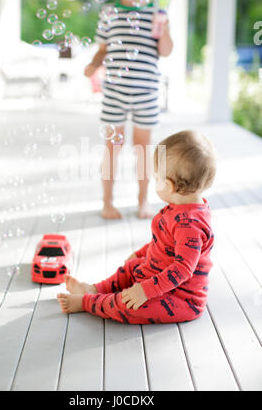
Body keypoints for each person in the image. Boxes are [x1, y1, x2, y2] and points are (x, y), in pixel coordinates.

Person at [57, 130, 217, 324]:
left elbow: (182, 270)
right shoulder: (180, 209)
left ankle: (88, 302)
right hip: (158, 275)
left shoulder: (190, 225)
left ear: (169, 185)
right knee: (133, 267)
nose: (155, 182)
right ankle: (96, 289)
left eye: (156, 179)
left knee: (132, 307)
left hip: (179, 298)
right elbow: (163, 244)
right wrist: (142, 253)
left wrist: (145, 291)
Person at [84, 0, 173, 220]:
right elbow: (103, 49)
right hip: (114, 92)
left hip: (146, 91)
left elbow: (165, 50)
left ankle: (143, 202)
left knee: (143, 150)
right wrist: (93, 65)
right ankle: (107, 202)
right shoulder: (109, 12)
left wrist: (165, 29)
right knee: (112, 148)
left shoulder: (156, 12)